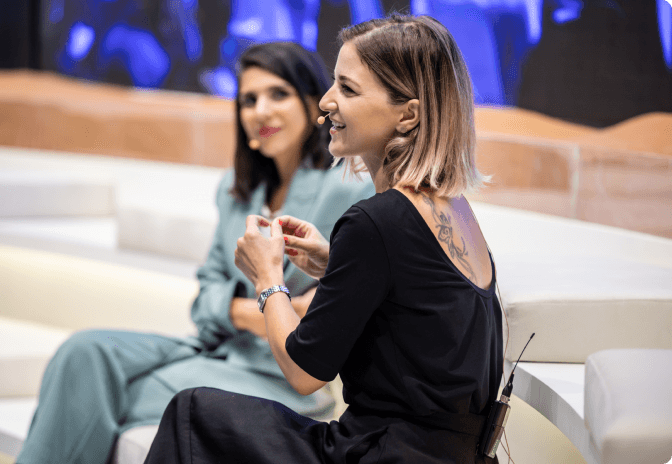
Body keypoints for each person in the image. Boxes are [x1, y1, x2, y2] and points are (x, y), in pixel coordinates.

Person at [144, 14, 505, 464]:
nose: (326, 102)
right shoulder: (455, 209)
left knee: (191, 412)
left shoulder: (375, 220)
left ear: (408, 114)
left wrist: (268, 277)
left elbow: (303, 372)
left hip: (379, 453)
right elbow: (419, 307)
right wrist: (335, 262)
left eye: (347, 90)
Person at [15, 42, 375, 464]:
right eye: (249, 100)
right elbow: (205, 298)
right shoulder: (235, 191)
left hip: (278, 376)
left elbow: (323, 313)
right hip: (213, 348)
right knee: (83, 352)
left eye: (278, 94)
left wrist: (244, 308)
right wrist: (262, 310)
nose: (261, 111)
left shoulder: (347, 188)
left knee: (93, 396)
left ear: (312, 102)